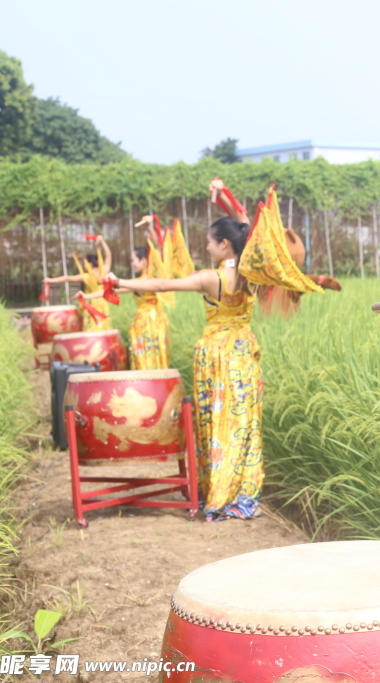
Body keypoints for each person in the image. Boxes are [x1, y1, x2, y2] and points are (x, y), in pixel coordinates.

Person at [106, 192, 263, 521]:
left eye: (209, 242)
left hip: (217, 355)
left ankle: (218, 493)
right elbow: (247, 221)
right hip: (245, 353)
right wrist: (226, 197)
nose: (206, 248)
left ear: (223, 244)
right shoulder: (252, 275)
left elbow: (163, 285)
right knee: (244, 422)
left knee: (217, 422)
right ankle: (243, 493)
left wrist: (120, 281)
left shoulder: (213, 278)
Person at [44, 236, 113, 331]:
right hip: (102, 303)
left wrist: (51, 280)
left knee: (91, 329)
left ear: (90, 263)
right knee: (102, 328)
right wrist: (102, 241)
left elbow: (67, 278)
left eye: (85, 263)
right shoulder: (104, 272)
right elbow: (108, 255)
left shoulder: (86, 276)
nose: (84, 265)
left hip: (90, 305)